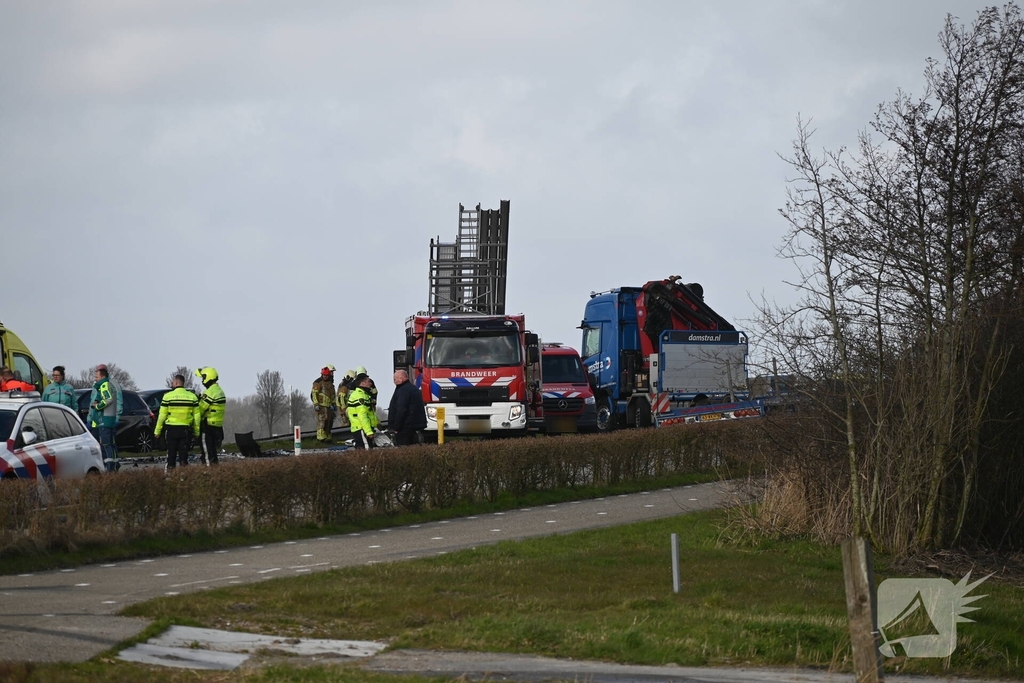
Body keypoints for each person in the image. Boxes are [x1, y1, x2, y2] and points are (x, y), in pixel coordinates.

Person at [155, 374, 200, 470]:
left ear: (176, 383)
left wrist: (157, 431)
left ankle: (171, 474)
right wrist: (196, 432)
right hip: (185, 430)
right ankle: (184, 475)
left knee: (171, 455)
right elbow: (197, 417)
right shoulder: (192, 397)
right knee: (184, 456)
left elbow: (162, 416)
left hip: (171, 430)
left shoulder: (167, 397)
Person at [89, 364, 119, 472]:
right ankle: (114, 466)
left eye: (96, 376)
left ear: (102, 376)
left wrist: (97, 406)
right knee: (111, 445)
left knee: (106, 445)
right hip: (110, 420)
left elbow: (108, 399)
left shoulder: (104, 385)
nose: (95, 379)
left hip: (104, 420)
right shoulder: (110, 385)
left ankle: (110, 469)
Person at [387, 369, 427, 446]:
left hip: (404, 427)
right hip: (414, 425)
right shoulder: (413, 388)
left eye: (395, 379)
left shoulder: (403, 390)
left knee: (403, 447)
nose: (394, 382)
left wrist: (396, 427)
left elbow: (401, 409)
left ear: (401, 378)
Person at [196, 366, 226, 466]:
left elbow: (200, 410)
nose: (202, 381)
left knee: (207, 454)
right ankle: (216, 472)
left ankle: (209, 473)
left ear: (207, 377)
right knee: (213, 454)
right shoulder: (220, 391)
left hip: (207, 427)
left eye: (203, 378)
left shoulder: (209, 392)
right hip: (217, 427)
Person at [346, 373, 379, 449]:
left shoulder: (363, 394)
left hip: (362, 428)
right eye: (368, 381)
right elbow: (362, 415)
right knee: (366, 451)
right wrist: (368, 431)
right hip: (361, 429)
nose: (370, 383)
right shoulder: (360, 396)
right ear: (363, 383)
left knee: (363, 450)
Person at [310, 365, 337, 442]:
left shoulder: (330, 383)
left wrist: (334, 404)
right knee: (322, 421)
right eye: (324, 375)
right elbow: (314, 394)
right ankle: (320, 437)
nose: (325, 376)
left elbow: (333, 395)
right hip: (321, 406)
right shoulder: (318, 382)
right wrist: (316, 404)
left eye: (327, 375)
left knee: (329, 421)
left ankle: (327, 436)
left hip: (329, 406)